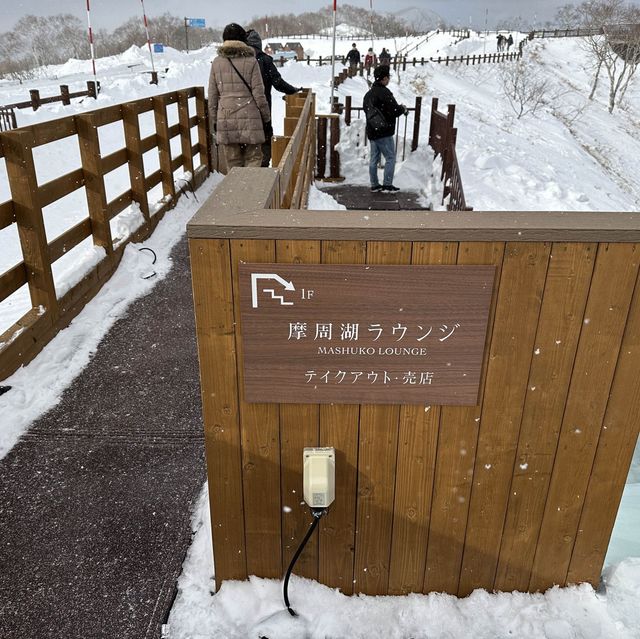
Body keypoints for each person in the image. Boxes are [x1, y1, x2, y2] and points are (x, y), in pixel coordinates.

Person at [208, 23, 271, 169]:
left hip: (226, 118)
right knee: (254, 158)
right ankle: (251, 189)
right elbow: (259, 94)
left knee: (233, 162)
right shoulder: (251, 61)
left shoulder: (217, 63)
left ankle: (237, 190)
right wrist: (266, 119)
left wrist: (215, 121)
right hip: (250, 117)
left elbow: (212, 96)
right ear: (244, 40)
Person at [246, 29, 304, 167]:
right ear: (259, 45)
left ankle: (246, 172)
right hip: (262, 107)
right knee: (265, 139)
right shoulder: (265, 61)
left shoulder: (241, 61)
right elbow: (278, 83)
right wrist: (292, 90)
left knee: (248, 141)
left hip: (243, 109)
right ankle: (262, 169)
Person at [363, 65, 407, 192]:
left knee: (374, 159)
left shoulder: (368, 94)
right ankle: (387, 184)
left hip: (372, 131)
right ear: (384, 78)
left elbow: (366, 110)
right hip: (384, 132)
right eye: (388, 77)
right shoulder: (385, 93)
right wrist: (402, 108)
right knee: (390, 158)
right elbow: (394, 110)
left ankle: (374, 185)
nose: (388, 80)